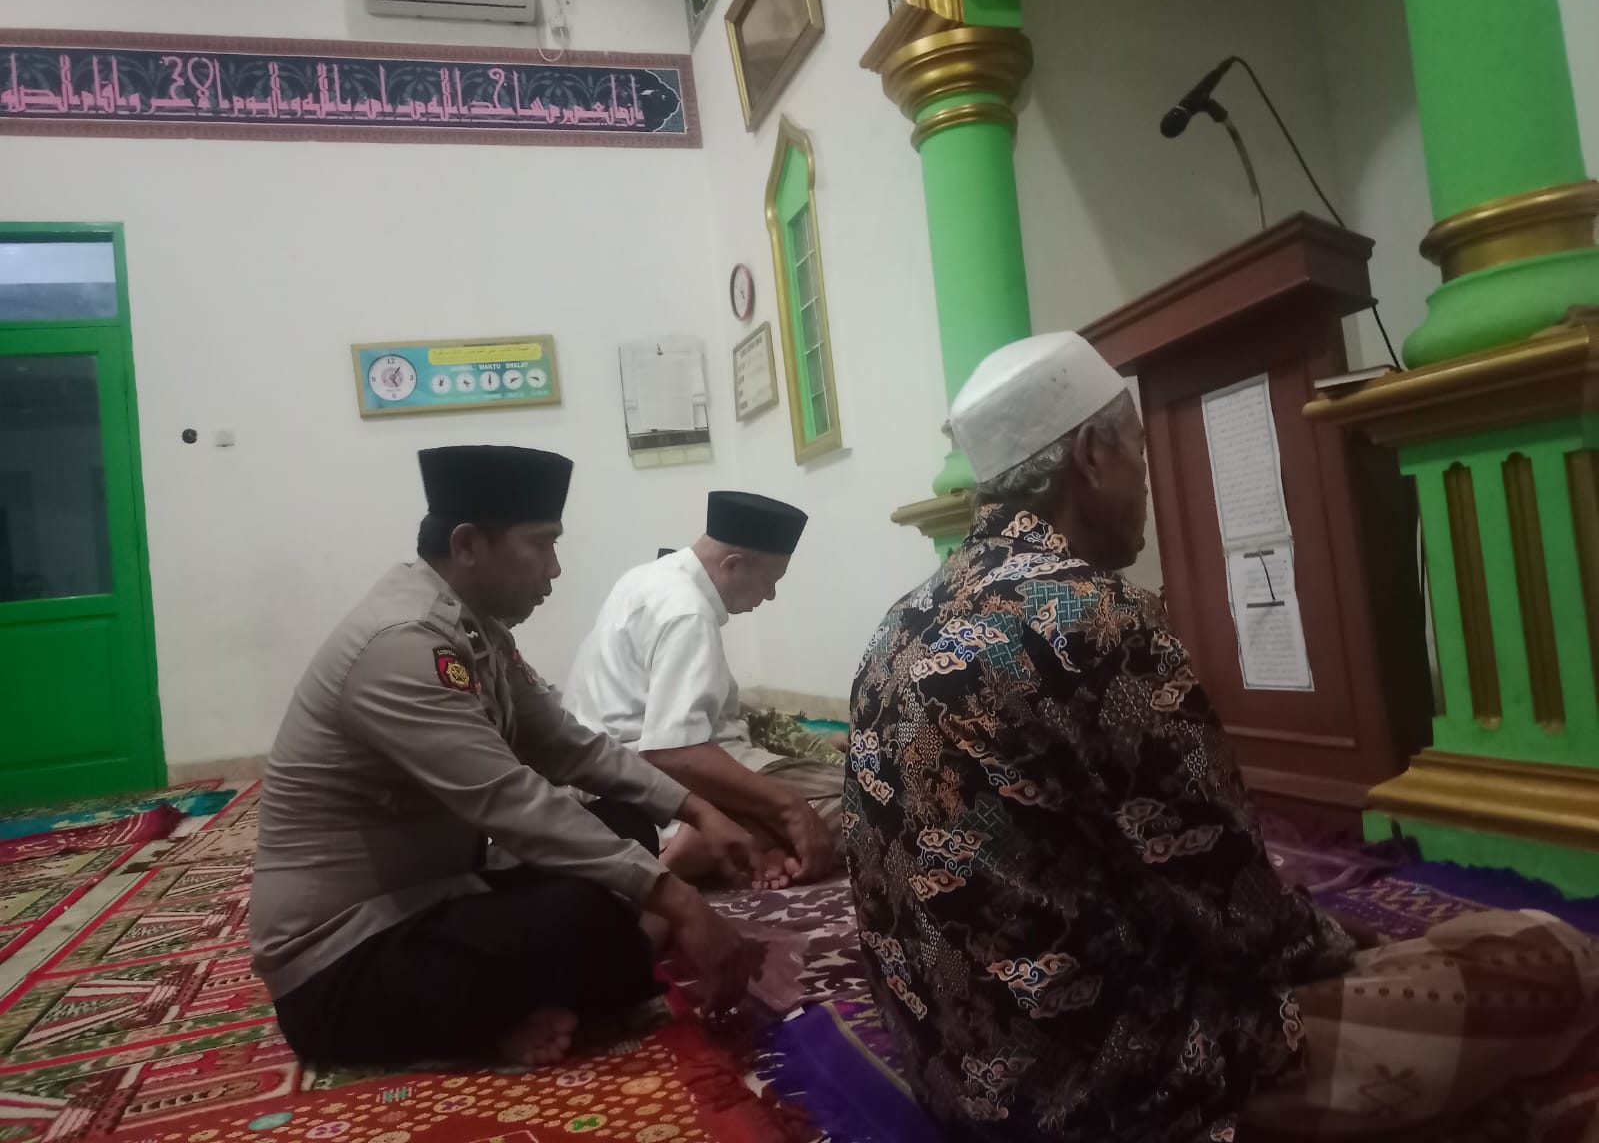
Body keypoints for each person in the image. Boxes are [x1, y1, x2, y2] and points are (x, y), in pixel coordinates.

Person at [843, 332, 1599, 1142]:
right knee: (1548, 958)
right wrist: (1339, 943)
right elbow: (1239, 917)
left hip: (950, 1073)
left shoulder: (900, 622)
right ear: (1091, 454)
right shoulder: (1093, 617)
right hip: (1105, 1087)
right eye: (1136, 449)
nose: (1145, 479)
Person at [250, 445, 763, 1070]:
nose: (555, 568)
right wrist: (675, 898)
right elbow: (510, 801)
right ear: (467, 545)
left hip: (432, 897)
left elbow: (566, 742)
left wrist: (696, 809)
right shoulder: (402, 645)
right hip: (342, 963)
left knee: (623, 822)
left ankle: (548, 994)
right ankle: (528, 1004)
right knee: (580, 914)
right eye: (541, 544)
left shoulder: (474, 629)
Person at [566, 491, 842, 890]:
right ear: (733, 564)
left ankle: (734, 838)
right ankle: (705, 841)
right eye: (769, 580)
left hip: (604, 780)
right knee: (867, 801)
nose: (770, 595)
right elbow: (671, 751)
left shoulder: (644, 578)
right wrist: (789, 807)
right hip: (653, 785)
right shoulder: (687, 611)